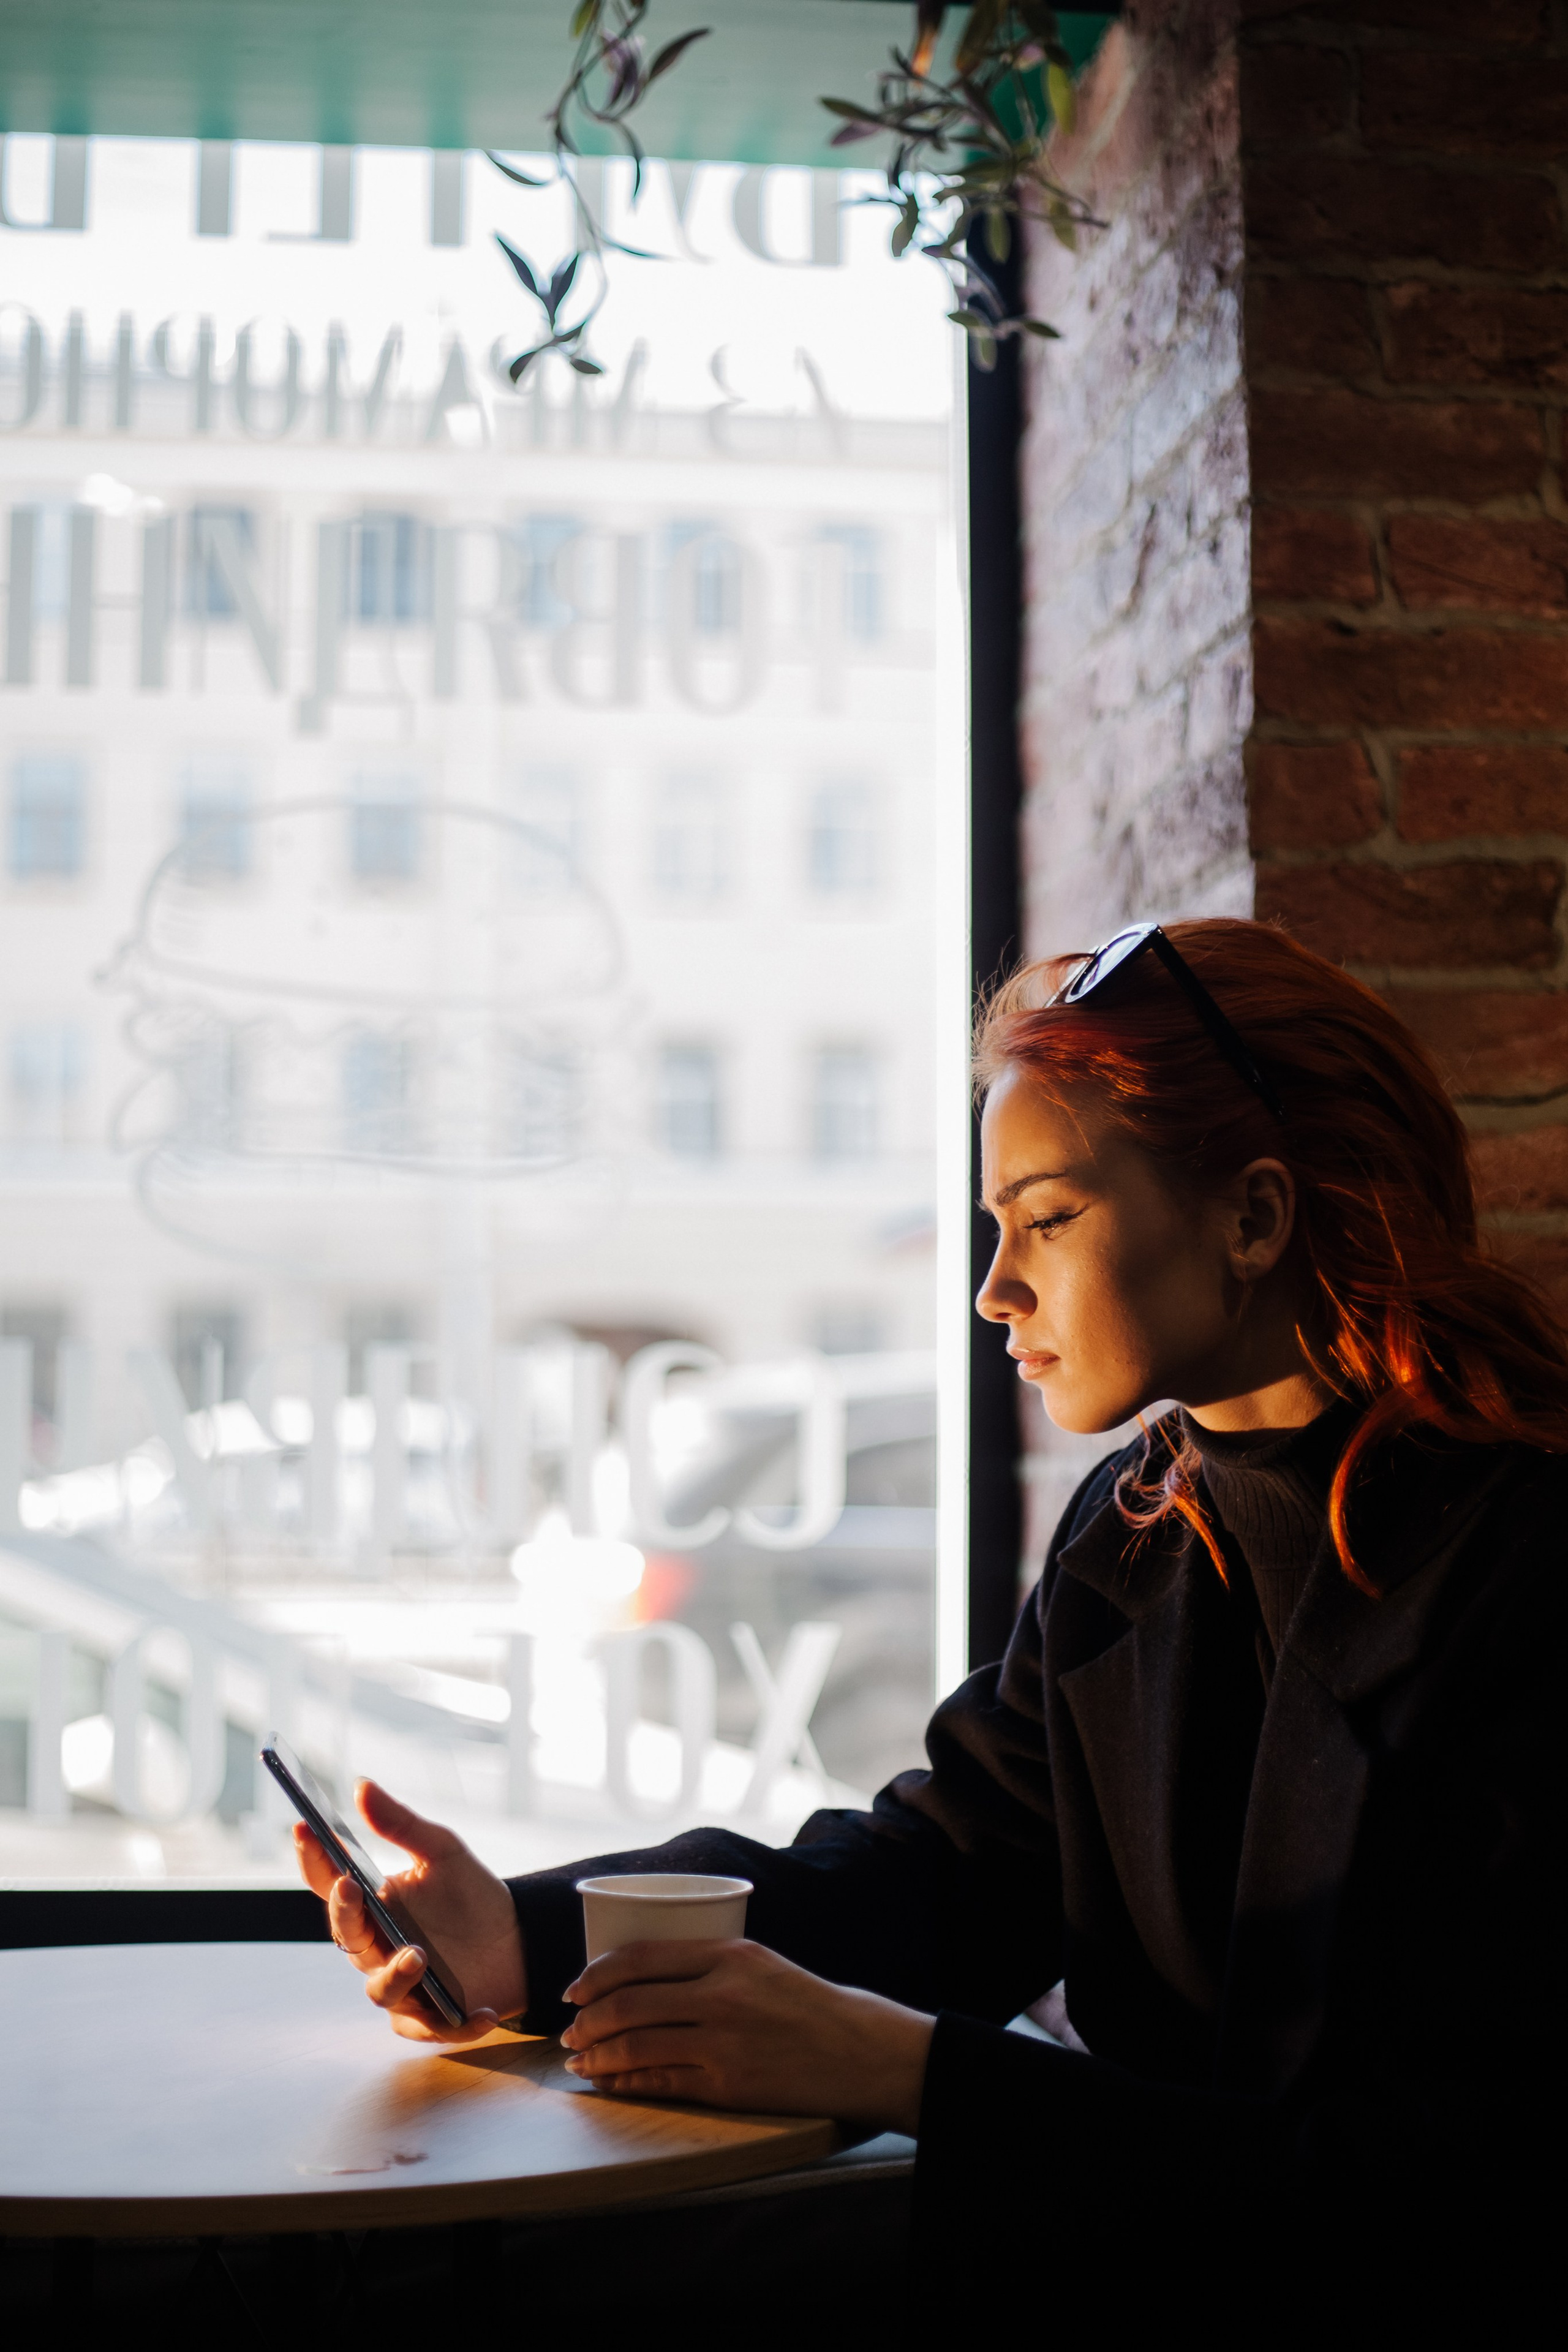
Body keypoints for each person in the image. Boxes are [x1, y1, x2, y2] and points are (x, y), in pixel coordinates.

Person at [297, 918, 1564, 2338]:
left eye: (1045, 1218)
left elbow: (1443, 2187)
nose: (992, 1288)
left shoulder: (1522, 1569)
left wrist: (905, 2071)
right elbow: (943, 1871)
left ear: (1252, 1218)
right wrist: (527, 1942)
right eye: (992, 1227)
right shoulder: (1135, 1530)